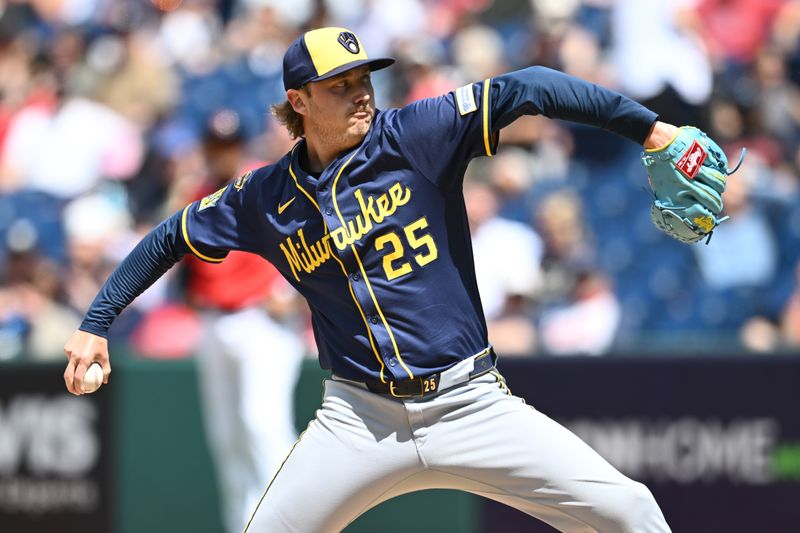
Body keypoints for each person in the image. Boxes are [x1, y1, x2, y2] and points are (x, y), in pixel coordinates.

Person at [64, 26, 676, 532]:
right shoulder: (265, 197)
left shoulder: (416, 136)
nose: (361, 94)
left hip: (470, 403)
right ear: (298, 102)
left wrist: (650, 130)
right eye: (340, 86)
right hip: (358, 420)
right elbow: (171, 236)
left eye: (364, 80)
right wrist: (97, 322)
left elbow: (533, 87)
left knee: (629, 511)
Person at [184, 109, 305, 533]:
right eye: (217, 144)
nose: (223, 152)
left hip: (262, 322)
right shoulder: (198, 192)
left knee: (262, 426)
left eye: (230, 144)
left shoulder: (263, 182)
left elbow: (308, 234)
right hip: (216, 322)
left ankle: (296, 525)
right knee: (226, 440)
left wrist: (291, 292)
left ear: (242, 145)